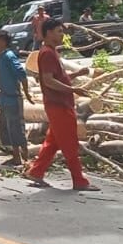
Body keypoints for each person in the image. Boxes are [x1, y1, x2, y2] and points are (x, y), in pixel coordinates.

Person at [23, 19, 98, 191]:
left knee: (53, 142)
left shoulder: (51, 51)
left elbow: (57, 78)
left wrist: (77, 74)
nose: (62, 34)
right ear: (48, 32)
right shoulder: (47, 53)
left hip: (59, 103)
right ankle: (79, 181)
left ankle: (36, 172)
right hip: (58, 105)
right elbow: (49, 81)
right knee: (70, 143)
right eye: (58, 31)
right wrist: (73, 89)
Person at [0, 30, 33, 168]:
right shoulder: (1, 57)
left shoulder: (9, 56)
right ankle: (15, 156)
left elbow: (21, 74)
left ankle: (25, 157)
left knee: (16, 128)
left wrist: (26, 93)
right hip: (5, 98)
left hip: (13, 98)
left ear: (3, 42)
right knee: (7, 128)